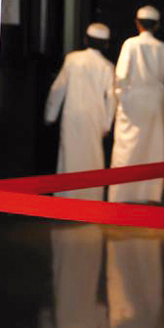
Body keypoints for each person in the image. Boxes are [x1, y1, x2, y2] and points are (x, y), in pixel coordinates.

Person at [108, 5, 164, 203]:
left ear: (137, 23)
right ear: (157, 25)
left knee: (126, 149)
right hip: (155, 104)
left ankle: (121, 196)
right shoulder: (163, 47)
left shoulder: (130, 44)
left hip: (132, 100)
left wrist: (121, 96)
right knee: (153, 150)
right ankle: (148, 196)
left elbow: (121, 75)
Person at [44, 22, 116, 200]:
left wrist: (50, 115)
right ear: (106, 44)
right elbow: (112, 97)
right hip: (95, 117)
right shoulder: (107, 66)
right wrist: (107, 123)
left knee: (69, 156)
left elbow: (57, 89)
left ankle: (67, 199)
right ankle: (90, 199)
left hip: (72, 115)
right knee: (92, 157)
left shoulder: (72, 59)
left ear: (86, 40)